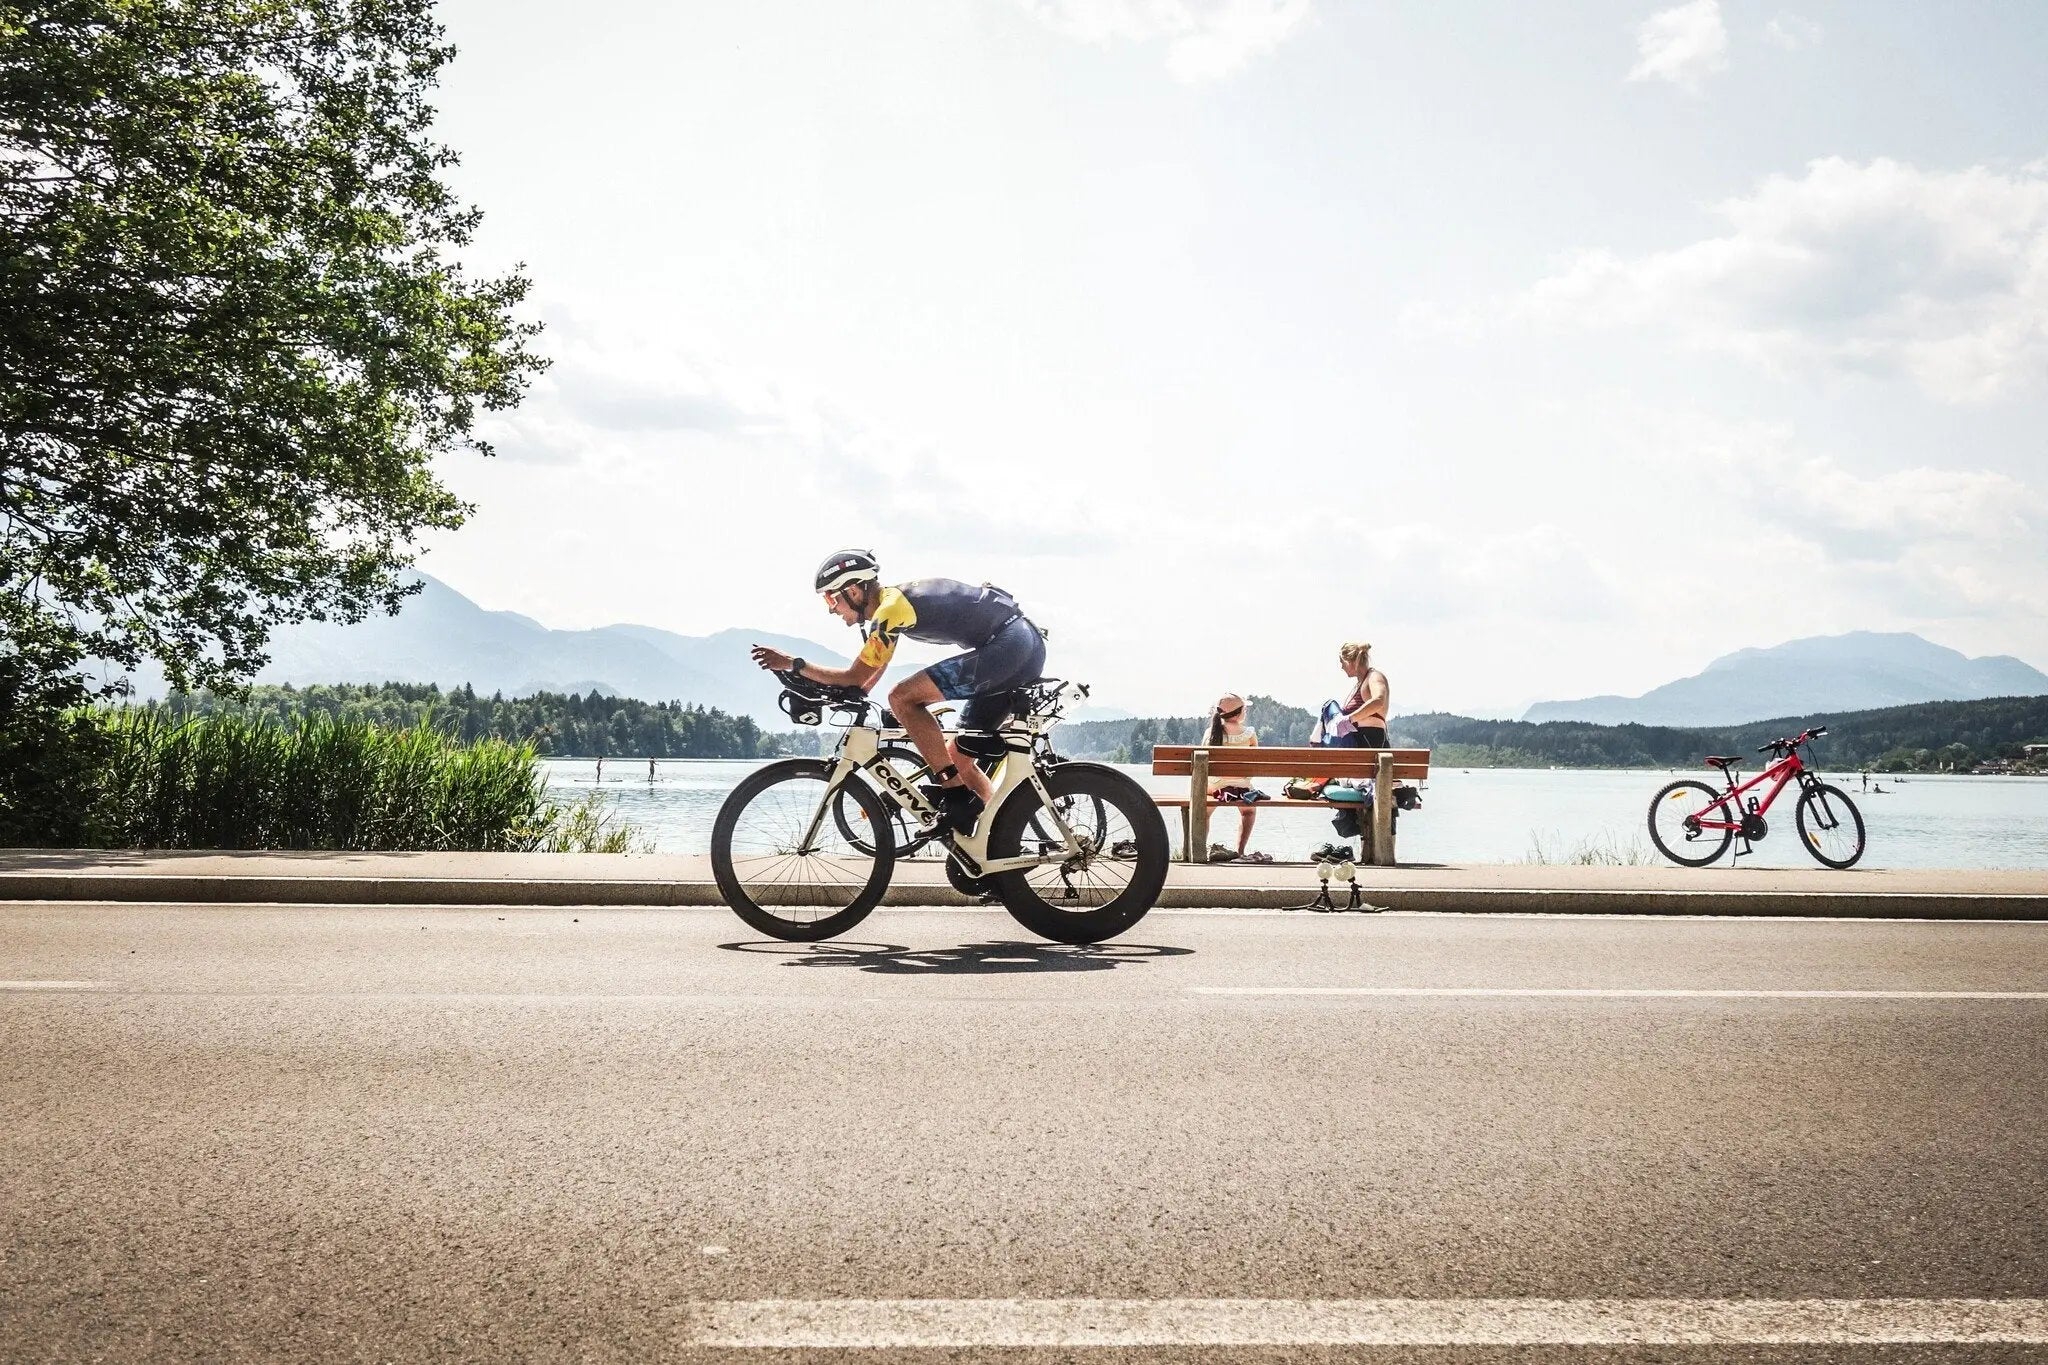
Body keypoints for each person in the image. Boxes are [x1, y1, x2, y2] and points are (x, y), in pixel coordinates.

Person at [749, 550, 1045, 831]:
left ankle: (957, 799)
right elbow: (867, 678)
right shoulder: (893, 607)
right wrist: (838, 691)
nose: (831, 609)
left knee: (902, 697)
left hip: (1009, 645)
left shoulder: (891, 610)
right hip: (1020, 644)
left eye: (831, 598)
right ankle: (996, 837)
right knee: (957, 759)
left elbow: (855, 677)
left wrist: (794, 664)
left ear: (853, 591)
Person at [1203, 692, 1269, 861]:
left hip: (1216, 787)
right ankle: (1240, 851)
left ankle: (1199, 848)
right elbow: (1255, 763)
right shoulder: (1249, 734)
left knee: (1203, 812)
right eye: (1244, 709)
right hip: (1242, 788)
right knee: (1249, 812)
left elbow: (1203, 764)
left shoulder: (1210, 733)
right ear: (1239, 713)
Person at [1333, 641, 1390, 748]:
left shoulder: (1374, 676)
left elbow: (1379, 700)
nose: (1342, 667)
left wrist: (1350, 718)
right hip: (1359, 740)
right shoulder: (1359, 684)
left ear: (1349, 661)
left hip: (1369, 739)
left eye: (1342, 662)